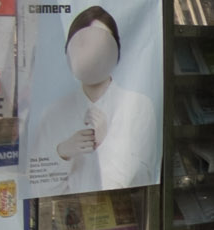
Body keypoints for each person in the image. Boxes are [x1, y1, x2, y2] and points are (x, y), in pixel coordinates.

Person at [28, 6, 159, 195]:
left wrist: (107, 141)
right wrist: (61, 153)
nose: (93, 53)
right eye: (84, 43)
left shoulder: (139, 106)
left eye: (102, 43)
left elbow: (142, 183)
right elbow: (39, 190)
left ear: (116, 50)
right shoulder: (53, 114)